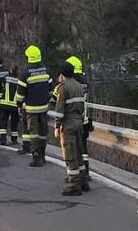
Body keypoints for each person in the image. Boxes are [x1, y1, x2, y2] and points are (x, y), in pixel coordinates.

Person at [54, 60, 88, 196]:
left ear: (62, 75)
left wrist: (57, 126)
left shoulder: (63, 88)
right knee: (79, 152)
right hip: (79, 122)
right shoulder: (79, 86)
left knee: (70, 154)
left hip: (68, 124)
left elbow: (60, 109)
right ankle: (83, 180)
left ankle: (74, 184)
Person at [16, 44, 52, 167]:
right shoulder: (46, 70)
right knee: (43, 132)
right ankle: (43, 155)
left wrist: (19, 105)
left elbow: (20, 94)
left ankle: (36, 158)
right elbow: (50, 88)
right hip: (44, 107)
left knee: (34, 133)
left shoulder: (25, 73)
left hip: (31, 109)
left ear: (29, 57)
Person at [67, 55, 92, 187]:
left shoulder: (72, 82)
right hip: (86, 118)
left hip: (74, 119)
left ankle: (77, 175)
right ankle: (86, 173)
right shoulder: (85, 80)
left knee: (74, 148)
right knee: (84, 148)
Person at [1, 63, 22, 147]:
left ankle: (3, 138)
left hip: (4, 103)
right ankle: (14, 140)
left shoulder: (6, 78)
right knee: (14, 123)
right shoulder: (19, 80)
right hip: (14, 105)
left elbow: (2, 86)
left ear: (10, 70)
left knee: (3, 121)